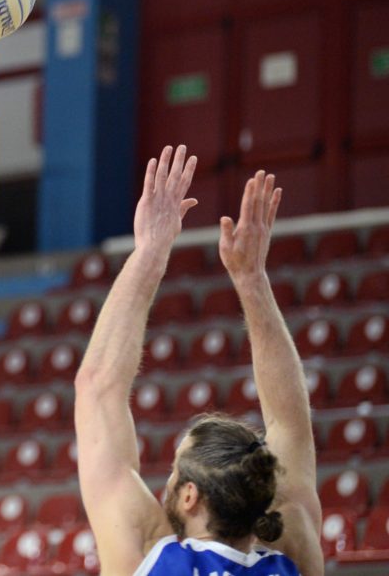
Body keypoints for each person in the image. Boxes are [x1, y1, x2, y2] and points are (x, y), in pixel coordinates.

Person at [74, 145, 323, 576]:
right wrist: (253, 280)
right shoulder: (293, 549)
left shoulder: (150, 559)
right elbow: (290, 422)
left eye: (175, 471)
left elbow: (96, 387)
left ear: (190, 496)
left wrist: (150, 252)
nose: (168, 480)